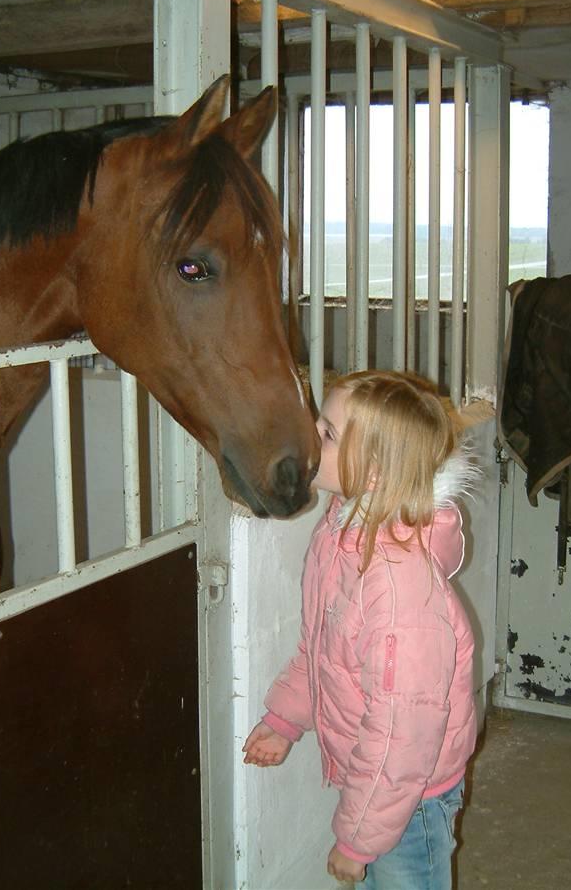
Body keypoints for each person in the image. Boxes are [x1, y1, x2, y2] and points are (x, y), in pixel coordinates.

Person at [243, 370, 480, 889]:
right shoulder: (342, 533)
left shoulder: (399, 591)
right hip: (380, 784)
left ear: (373, 474)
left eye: (327, 433)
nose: (310, 436)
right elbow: (323, 649)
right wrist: (285, 719)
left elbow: (403, 730)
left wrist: (358, 839)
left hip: (409, 799)